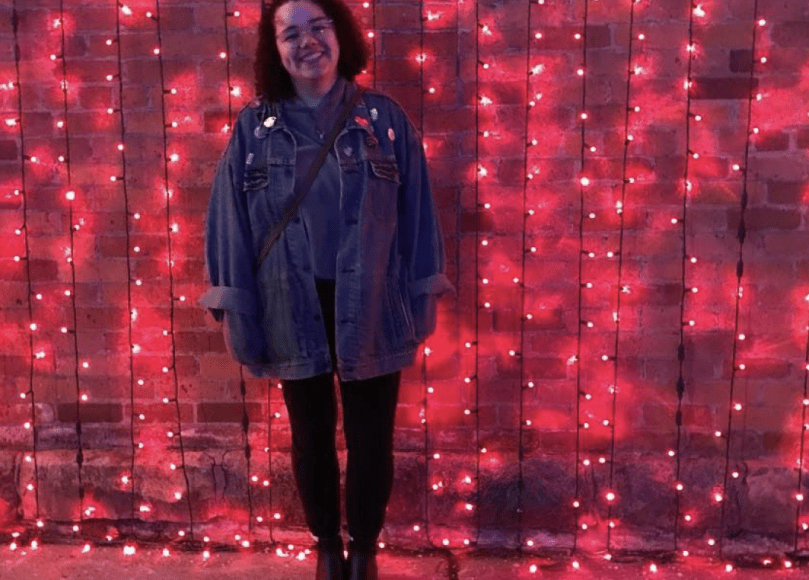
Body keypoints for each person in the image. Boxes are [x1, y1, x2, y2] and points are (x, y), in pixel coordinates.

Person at [201, 0, 454, 578]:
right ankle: (326, 546)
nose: (307, 41)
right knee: (311, 435)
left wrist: (420, 293)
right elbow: (228, 222)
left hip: (372, 302)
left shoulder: (385, 120)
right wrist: (235, 301)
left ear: (340, 36)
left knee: (372, 437)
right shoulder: (253, 128)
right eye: (291, 34)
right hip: (292, 302)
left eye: (319, 27)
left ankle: (364, 543)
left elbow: (417, 214)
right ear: (276, 50)